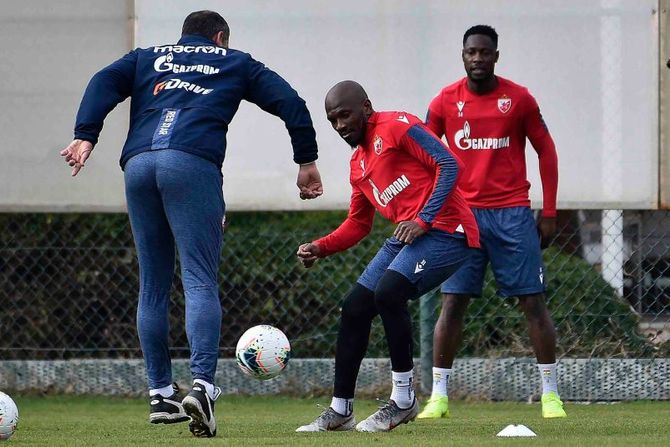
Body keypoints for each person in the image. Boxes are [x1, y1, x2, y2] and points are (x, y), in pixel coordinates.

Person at [59, 10, 323, 438]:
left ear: (182, 38)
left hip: (139, 163)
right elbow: (291, 102)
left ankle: (161, 394)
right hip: (191, 163)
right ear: (220, 38)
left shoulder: (148, 57)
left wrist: (86, 133)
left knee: (153, 285)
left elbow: (102, 81)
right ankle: (201, 387)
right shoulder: (234, 61)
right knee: (199, 280)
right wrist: (306, 161)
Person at [295, 80, 480, 433]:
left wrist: (423, 219)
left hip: (448, 230)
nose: (340, 126)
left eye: (345, 115)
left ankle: (404, 400)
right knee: (354, 307)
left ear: (366, 107)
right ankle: (340, 410)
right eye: (332, 120)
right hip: (408, 236)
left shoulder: (396, 126)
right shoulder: (358, 164)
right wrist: (321, 247)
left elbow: (449, 163)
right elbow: (358, 224)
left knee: (389, 293)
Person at [418, 24, 565, 420]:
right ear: (462, 55)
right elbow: (422, 154)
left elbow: (546, 151)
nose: (478, 59)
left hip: (512, 214)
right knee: (453, 303)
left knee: (532, 302)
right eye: (471, 52)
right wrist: (428, 210)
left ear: (495, 56)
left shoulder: (518, 99)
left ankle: (550, 395)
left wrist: (548, 211)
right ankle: (439, 397)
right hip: (462, 217)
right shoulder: (445, 101)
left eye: (485, 52)